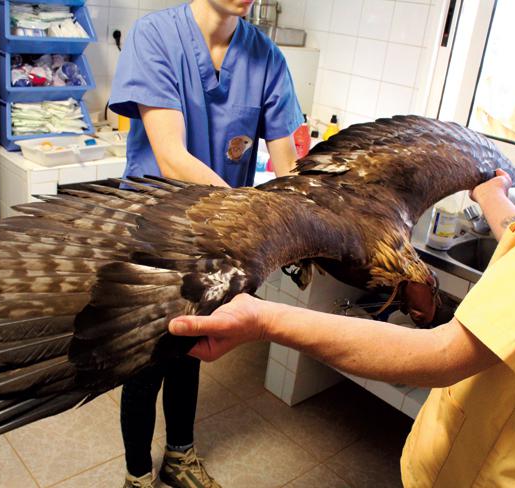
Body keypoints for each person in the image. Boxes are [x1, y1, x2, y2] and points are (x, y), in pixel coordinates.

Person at [169, 169, 515, 486]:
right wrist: (490, 194)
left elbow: (444, 353)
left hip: (501, 473)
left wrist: (266, 318)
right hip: (463, 458)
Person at [108, 0, 303, 486]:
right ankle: (137, 475)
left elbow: (289, 167)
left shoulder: (266, 58)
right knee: (145, 360)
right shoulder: (154, 37)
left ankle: (179, 456)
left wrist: (309, 222)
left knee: (192, 350)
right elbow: (171, 156)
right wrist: (252, 218)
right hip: (157, 232)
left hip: (216, 242)